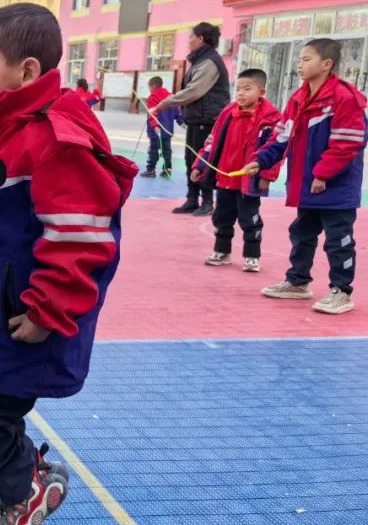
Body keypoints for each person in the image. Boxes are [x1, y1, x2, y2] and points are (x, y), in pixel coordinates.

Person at [0, 3, 136, 525]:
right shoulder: (7, 128)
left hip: (24, 318)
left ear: (26, 71)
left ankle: (25, 485)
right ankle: (20, 476)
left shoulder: (53, 137)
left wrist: (47, 310)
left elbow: (82, 236)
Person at [244, 38, 366, 314]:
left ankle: (341, 291)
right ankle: (298, 282)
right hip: (308, 185)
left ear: (327, 64)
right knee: (302, 232)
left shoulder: (345, 98)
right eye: (299, 59)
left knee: (338, 239)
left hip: (336, 187)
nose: (299, 64)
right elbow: (281, 136)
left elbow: (348, 142)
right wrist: (261, 160)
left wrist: (323, 174)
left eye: (306, 59)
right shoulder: (298, 98)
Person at [191, 69, 282, 272]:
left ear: (261, 92)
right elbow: (212, 141)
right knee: (222, 216)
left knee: (250, 218)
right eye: (238, 89)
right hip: (225, 177)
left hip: (248, 180)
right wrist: (200, 164)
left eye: (247, 89)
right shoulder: (228, 114)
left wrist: (267, 175)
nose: (240, 93)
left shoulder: (270, 118)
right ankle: (222, 251)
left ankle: (252, 255)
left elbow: (276, 149)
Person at [156, 22, 230, 217]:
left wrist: (165, 103)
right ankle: (192, 199)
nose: (188, 40)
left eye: (191, 36)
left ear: (200, 39)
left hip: (208, 120)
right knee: (191, 160)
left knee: (203, 160)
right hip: (196, 119)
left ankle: (207, 201)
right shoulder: (199, 60)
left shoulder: (210, 62)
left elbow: (194, 91)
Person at [141, 76, 181, 178]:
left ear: (153, 86)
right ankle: (167, 170)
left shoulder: (153, 97)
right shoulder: (171, 97)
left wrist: (155, 126)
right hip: (168, 130)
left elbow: (152, 113)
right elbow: (177, 112)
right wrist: (182, 122)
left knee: (153, 149)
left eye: (149, 87)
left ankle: (151, 170)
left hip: (156, 131)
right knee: (167, 150)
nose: (149, 89)